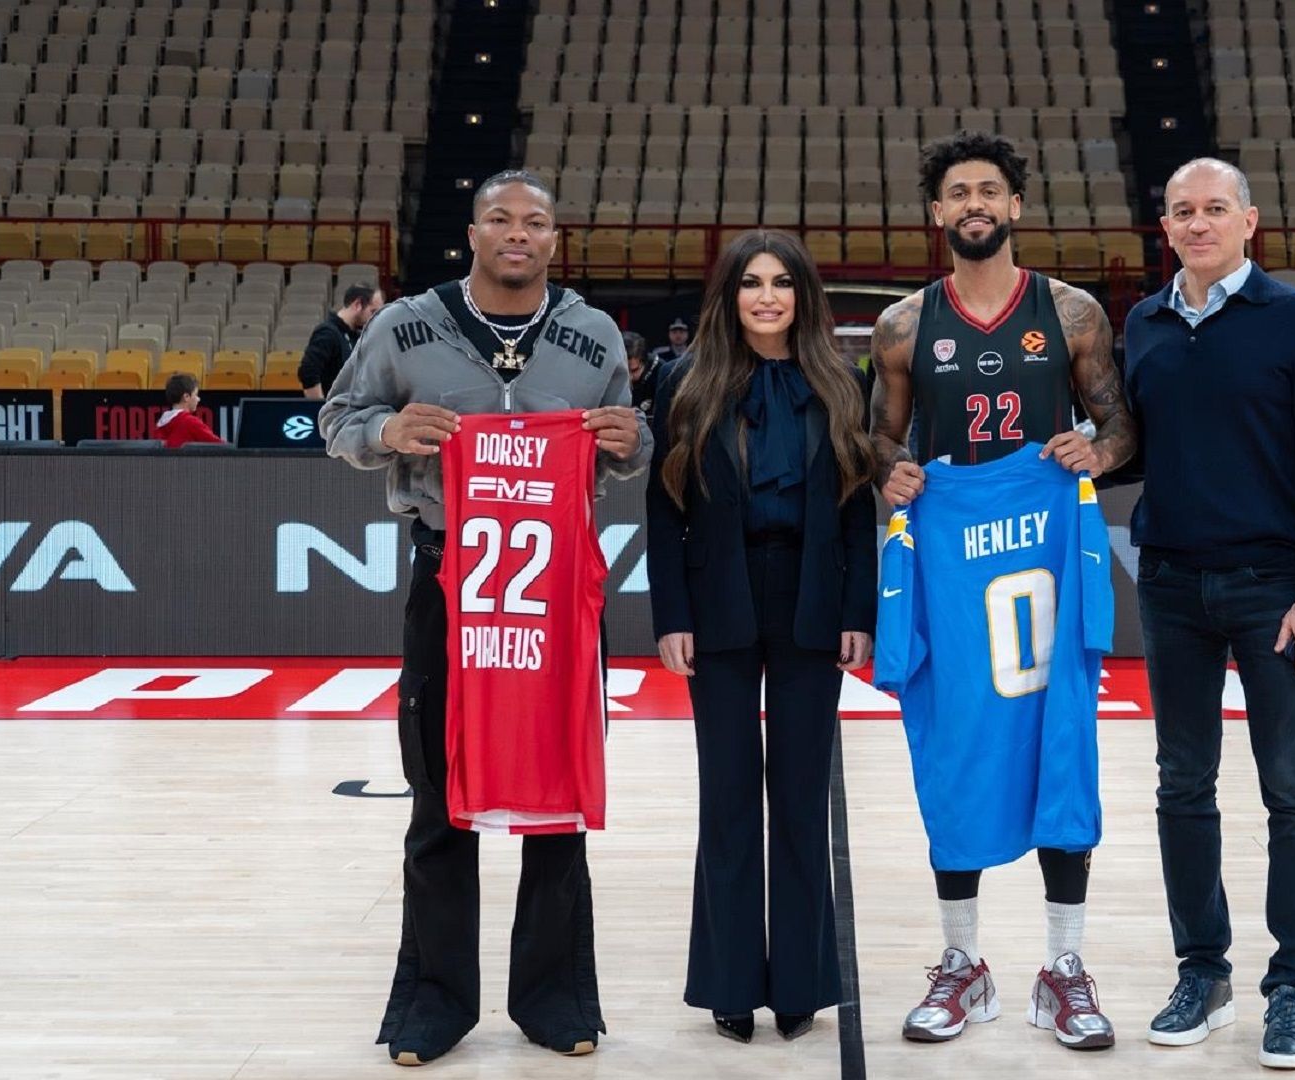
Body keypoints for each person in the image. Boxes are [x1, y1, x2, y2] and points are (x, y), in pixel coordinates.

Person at [318, 169, 648, 1066]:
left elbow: (626, 444)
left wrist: (633, 443)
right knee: (437, 796)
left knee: (560, 797)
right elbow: (339, 418)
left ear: (554, 239)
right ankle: (435, 1002)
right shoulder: (404, 325)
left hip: (556, 592)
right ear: (472, 233)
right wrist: (386, 433)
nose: (516, 233)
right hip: (447, 581)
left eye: (533, 222)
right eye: (499, 218)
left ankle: (554, 998)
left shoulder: (590, 334)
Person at [867, 130, 1137, 1051]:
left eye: (989, 190)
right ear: (936, 212)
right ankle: (963, 964)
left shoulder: (1071, 313)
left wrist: (1094, 451)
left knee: (1063, 748)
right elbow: (879, 438)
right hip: (953, 559)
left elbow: (1120, 426)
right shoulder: (904, 326)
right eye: (958, 192)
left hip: (1042, 562)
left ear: (1016, 206)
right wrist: (890, 470)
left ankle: (1064, 968)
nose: (974, 204)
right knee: (956, 750)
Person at [1121, 159, 1295, 1069]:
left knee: (1291, 788)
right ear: (1166, 226)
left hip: (1275, 590)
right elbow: (1135, 448)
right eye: (1182, 211)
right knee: (1182, 784)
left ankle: (1291, 987)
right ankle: (1203, 972)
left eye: (1215, 208)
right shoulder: (1143, 324)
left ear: (1249, 221)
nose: (1198, 223)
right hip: (1171, 585)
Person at [646, 230, 878, 1044]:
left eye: (783, 282)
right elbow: (663, 510)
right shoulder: (683, 381)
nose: (768, 296)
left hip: (812, 599)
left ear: (803, 296)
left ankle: (803, 983)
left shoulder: (841, 382)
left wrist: (858, 612)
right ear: (731, 296)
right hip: (719, 599)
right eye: (752, 283)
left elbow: (858, 510)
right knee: (729, 795)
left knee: (802, 798)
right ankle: (730, 981)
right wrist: (671, 615)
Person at [299, 283, 385, 399]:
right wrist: (319, 406)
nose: (375, 318)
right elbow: (308, 372)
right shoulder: (328, 333)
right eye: (373, 312)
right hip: (333, 408)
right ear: (358, 305)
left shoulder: (357, 335)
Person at [154, 373, 224, 447]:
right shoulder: (190, 422)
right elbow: (222, 447)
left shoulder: (160, 425)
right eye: (196, 395)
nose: (198, 399)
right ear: (186, 397)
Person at [624, 329, 661, 416]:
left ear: (645, 363)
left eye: (634, 370)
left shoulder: (661, 374)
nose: (629, 377)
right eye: (624, 371)